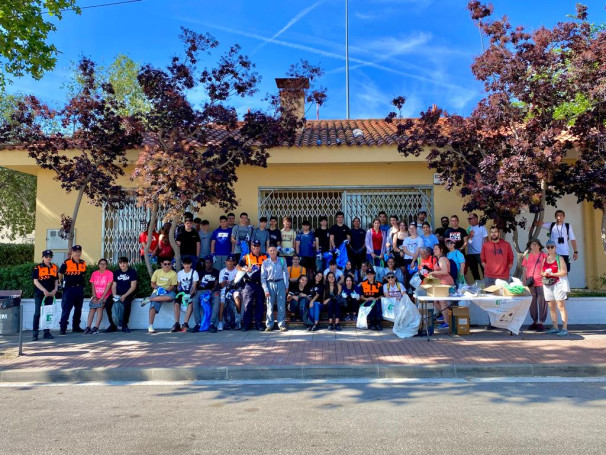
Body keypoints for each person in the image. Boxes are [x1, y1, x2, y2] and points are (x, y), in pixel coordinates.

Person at [542, 240, 571, 336]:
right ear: (546, 248)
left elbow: (564, 272)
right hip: (547, 284)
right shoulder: (544, 259)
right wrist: (545, 274)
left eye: (552, 247)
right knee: (551, 307)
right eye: (548, 247)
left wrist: (552, 274)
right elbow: (541, 272)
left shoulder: (560, 258)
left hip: (558, 284)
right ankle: (555, 327)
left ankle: (564, 328)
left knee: (561, 306)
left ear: (555, 248)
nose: (550, 248)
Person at [238, 239, 268, 331]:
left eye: (258, 246)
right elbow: (238, 267)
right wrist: (245, 270)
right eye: (254, 246)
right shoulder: (246, 257)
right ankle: (247, 324)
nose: (256, 248)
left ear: (260, 247)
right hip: (249, 284)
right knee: (248, 304)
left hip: (260, 284)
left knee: (260, 305)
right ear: (251, 247)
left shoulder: (265, 256)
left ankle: (259, 324)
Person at [142, 259, 177, 334]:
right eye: (165, 264)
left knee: (171, 297)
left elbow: (172, 286)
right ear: (161, 264)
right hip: (157, 291)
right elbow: (152, 284)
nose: (167, 265)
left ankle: (150, 299)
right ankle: (150, 326)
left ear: (171, 264)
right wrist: (158, 288)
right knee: (153, 307)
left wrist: (166, 291)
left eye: (169, 264)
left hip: (168, 292)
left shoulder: (173, 274)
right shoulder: (157, 272)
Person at [59, 245, 87, 335]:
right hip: (69, 289)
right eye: (75, 252)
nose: (77, 253)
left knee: (78, 309)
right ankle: (63, 328)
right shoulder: (66, 262)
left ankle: (76, 327)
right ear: (72, 252)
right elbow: (60, 273)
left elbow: (83, 274)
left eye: (79, 252)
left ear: (81, 253)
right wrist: (62, 281)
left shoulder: (83, 263)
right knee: (66, 309)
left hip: (79, 289)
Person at [32, 249, 59, 341]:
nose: (48, 258)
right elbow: (35, 281)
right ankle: (35, 333)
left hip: (50, 294)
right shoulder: (38, 268)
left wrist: (55, 289)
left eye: (50, 257)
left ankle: (46, 332)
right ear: (42, 257)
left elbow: (56, 279)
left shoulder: (54, 267)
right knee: (37, 313)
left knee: (48, 313)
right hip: (40, 294)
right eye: (46, 257)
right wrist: (44, 290)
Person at [261, 246, 289, 332]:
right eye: (271, 251)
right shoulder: (265, 262)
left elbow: (286, 274)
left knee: (281, 305)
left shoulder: (282, 260)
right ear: (268, 252)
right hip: (270, 283)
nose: (273, 252)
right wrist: (265, 289)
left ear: (277, 251)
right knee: (270, 305)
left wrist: (286, 286)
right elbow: (263, 277)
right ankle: (269, 324)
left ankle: (281, 324)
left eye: (274, 250)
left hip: (280, 283)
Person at [522, 239, 547, 332]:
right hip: (530, 283)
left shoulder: (543, 255)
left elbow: (548, 267)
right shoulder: (527, 256)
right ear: (530, 246)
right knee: (532, 304)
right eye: (532, 244)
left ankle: (541, 322)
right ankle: (535, 321)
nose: (534, 246)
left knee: (542, 303)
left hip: (541, 283)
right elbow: (524, 269)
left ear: (540, 246)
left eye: (536, 244)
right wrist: (524, 281)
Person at [106, 256, 137, 333]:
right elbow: (114, 285)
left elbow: (133, 286)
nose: (122, 265)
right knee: (107, 304)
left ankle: (124, 325)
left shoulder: (132, 272)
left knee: (127, 305)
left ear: (127, 263)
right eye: (120, 263)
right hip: (117, 294)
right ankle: (113, 325)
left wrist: (125, 296)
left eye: (124, 263)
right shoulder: (116, 272)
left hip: (128, 294)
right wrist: (114, 295)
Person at [428, 243, 455, 330]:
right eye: (433, 249)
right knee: (436, 302)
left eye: (436, 249)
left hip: (445, 283)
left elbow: (445, 271)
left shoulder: (442, 259)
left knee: (442, 302)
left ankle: (447, 322)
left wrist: (433, 273)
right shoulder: (438, 259)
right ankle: (445, 316)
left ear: (441, 250)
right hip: (440, 284)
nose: (434, 251)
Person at [85, 258, 113, 334]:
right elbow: (93, 286)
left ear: (106, 265)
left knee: (99, 308)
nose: (103, 265)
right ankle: (88, 327)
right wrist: (94, 297)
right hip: (96, 296)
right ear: (98, 265)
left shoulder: (109, 273)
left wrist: (102, 298)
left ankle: (96, 327)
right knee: (92, 309)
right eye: (101, 264)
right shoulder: (94, 273)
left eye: (104, 264)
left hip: (105, 296)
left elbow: (108, 286)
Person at [174, 256, 199, 332]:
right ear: (183, 264)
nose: (187, 266)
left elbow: (194, 286)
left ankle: (185, 323)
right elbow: (178, 285)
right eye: (185, 264)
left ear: (191, 264)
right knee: (176, 303)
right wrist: (179, 290)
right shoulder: (180, 273)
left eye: (188, 264)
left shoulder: (194, 272)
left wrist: (189, 295)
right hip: (182, 292)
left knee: (191, 303)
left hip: (190, 292)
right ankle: (176, 323)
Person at [197, 255, 221, 332]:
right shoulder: (200, 272)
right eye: (206, 263)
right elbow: (199, 284)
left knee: (217, 299)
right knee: (194, 299)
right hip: (201, 291)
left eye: (210, 263)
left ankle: (212, 323)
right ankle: (198, 324)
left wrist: (210, 291)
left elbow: (216, 285)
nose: (208, 264)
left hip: (213, 291)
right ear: (204, 263)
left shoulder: (216, 272)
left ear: (212, 263)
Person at [218, 255, 242, 329]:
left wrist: (233, 282)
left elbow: (239, 283)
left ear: (234, 262)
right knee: (222, 303)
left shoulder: (237, 270)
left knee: (237, 297)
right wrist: (224, 281)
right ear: (226, 262)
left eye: (231, 261)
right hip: (225, 290)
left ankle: (238, 320)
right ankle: (220, 322)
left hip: (235, 289)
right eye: (228, 261)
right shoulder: (222, 271)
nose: (230, 263)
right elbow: (221, 285)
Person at [464, 213, 487, 281]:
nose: (469, 220)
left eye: (470, 218)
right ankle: (478, 287)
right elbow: (465, 240)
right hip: (470, 254)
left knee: (484, 271)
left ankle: (487, 287)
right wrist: (469, 235)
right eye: (468, 219)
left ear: (476, 219)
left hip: (480, 253)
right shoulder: (468, 228)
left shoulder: (482, 228)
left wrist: (487, 252)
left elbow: (486, 240)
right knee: (474, 272)